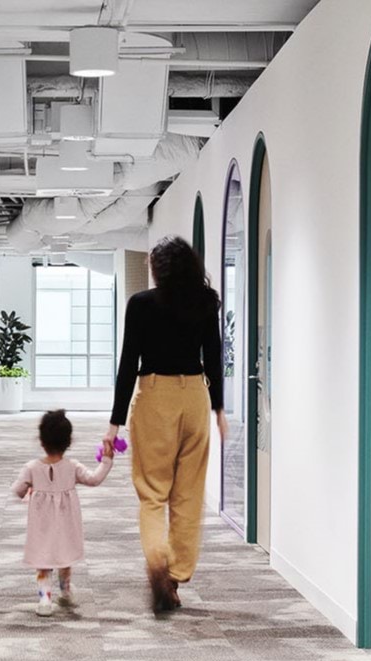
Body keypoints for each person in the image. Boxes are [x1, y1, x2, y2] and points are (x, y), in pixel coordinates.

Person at [106, 236, 227, 612]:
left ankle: (157, 561)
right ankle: (175, 575)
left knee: (153, 492)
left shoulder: (141, 304)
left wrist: (114, 423)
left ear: (158, 269)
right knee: (189, 494)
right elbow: (213, 357)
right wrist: (219, 409)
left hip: (155, 395)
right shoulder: (206, 302)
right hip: (194, 397)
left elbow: (129, 362)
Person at [12, 410, 114, 617]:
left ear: (41, 441)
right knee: (64, 558)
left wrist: (29, 491)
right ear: (69, 441)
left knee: (43, 562)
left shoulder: (31, 467)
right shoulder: (72, 467)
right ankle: (66, 592)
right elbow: (94, 479)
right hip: (67, 524)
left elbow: (17, 490)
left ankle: (44, 599)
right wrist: (106, 460)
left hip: (41, 525)